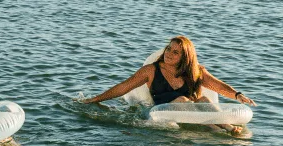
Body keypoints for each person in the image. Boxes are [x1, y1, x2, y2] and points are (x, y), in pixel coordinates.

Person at [84, 35, 254, 107]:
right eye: (168, 49)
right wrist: (96, 99)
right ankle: (216, 128)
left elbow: (218, 86)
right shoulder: (151, 70)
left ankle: (226, 127)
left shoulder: (196, 71)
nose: (168, 54)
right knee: (183, 99)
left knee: (203, 100)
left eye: (175, 52)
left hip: (192, 111)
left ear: (185, 57)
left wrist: (238, 95)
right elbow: (124, 87)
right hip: (164, 111)